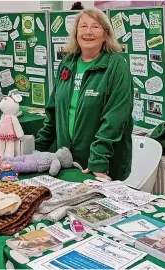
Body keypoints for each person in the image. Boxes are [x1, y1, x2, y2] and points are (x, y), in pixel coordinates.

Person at [36, 8, 133, 181]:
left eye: (95, 27)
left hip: (99, 166)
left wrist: (98, 159)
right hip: (66, 162)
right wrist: (38, 149)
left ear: (106, 34)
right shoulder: (67, 63)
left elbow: (116, 118)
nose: (88, 32)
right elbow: (53, 112)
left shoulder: (116, 65)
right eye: (83, 26)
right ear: (76, 33)